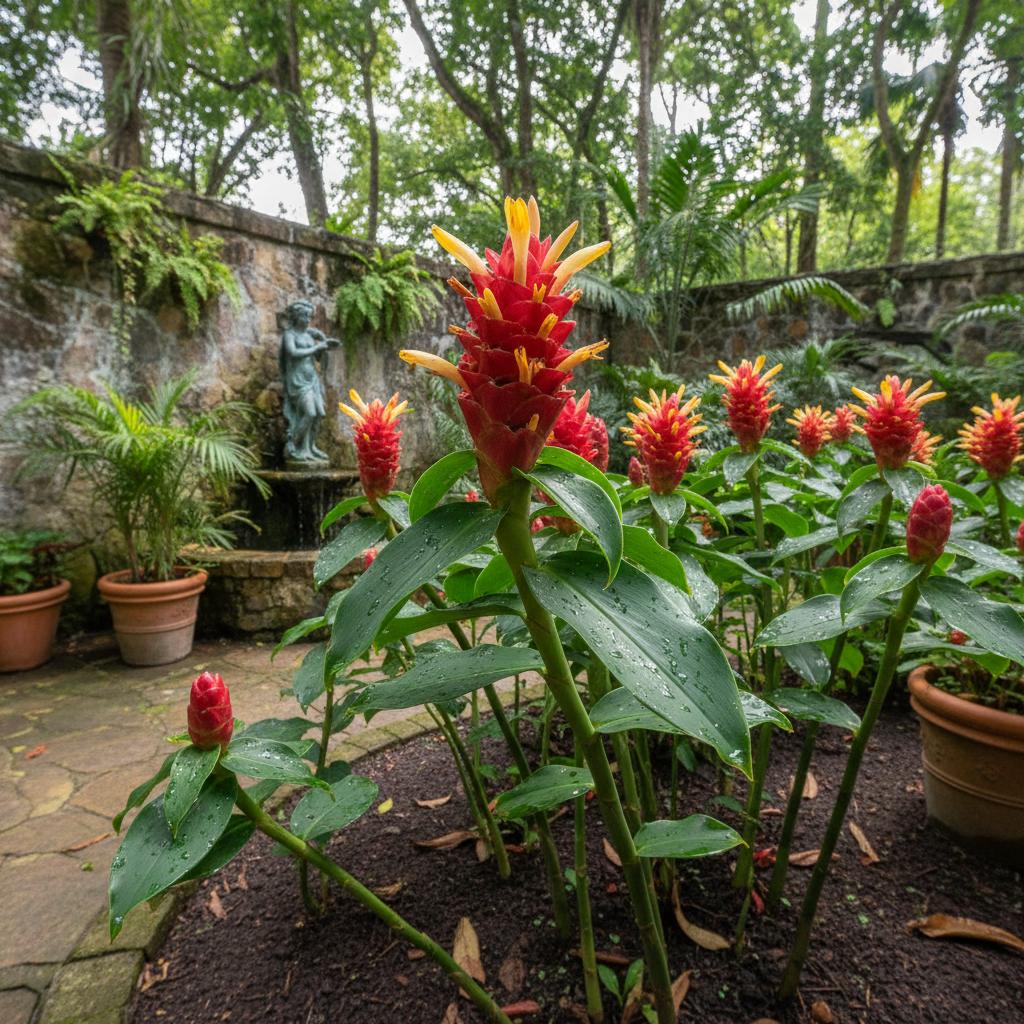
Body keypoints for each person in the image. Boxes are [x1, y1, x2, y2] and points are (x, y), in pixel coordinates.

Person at [278, 300, 340, 463]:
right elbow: (292, 352)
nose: (307, 319)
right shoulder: (289, 335)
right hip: (297, 380)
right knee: (309, 412)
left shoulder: (309, 335)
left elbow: (316, 357)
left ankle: (309, 448)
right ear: (296, 317)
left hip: (312, 378)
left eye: (308, 316)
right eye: (304, 316)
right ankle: (293, 445)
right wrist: (316, 348)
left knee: (319, 413)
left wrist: (324, 346)